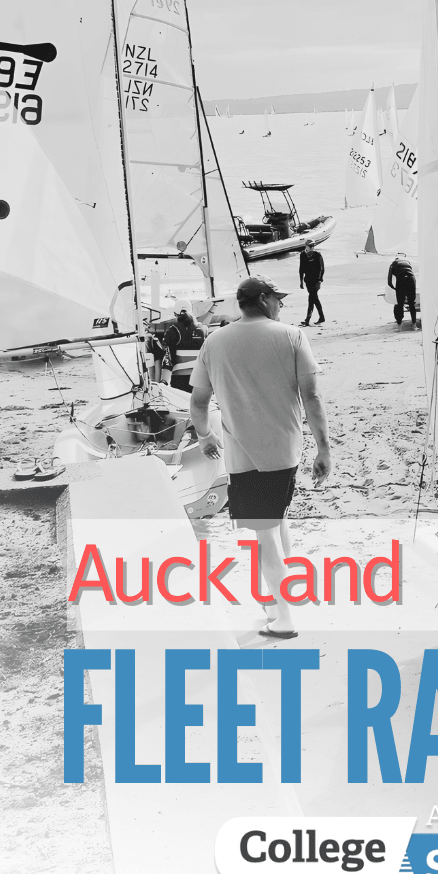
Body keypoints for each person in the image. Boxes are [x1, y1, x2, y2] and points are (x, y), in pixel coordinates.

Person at [189, 276, 331, 640]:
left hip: (243, 456)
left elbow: (199, 402)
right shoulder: (293, 336)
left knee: (265, 534)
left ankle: (282, 616)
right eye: (278, 298)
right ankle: (280, 605)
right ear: (264, 299)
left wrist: (205, 436)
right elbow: (312, 397)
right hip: (285, 451)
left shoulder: (213, 342)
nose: (281, 305)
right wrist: (324, 448)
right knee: (276, 523)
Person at [161, 310, 206, 390]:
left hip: (180, 380)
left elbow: (168, 358)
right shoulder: (203, 329)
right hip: (200, 379)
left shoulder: (173, 330)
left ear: (175, 314)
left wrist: (163, 382)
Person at [388, 255, 419, 328]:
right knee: (411, 304)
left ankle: (400, 326)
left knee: (400, 304)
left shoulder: (393, 264)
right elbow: (413, 276)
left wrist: (395, 289)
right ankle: (414, 325)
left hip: (401, 280)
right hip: (411, 280)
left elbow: (389, 280)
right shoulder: (408, 263)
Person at [298, 245, 325, 325]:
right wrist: (301, 281)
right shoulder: (302, 255)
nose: (311, 247)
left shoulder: (317, 255)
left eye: (313, 245)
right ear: (306, 246)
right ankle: (320, 317)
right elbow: (301, 269)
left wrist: (320, 280)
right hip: (308, 281)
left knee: (312, 298)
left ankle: (308, 319)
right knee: (313, 298)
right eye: (310, 246)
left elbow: (322, 268)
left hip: (315, 281)